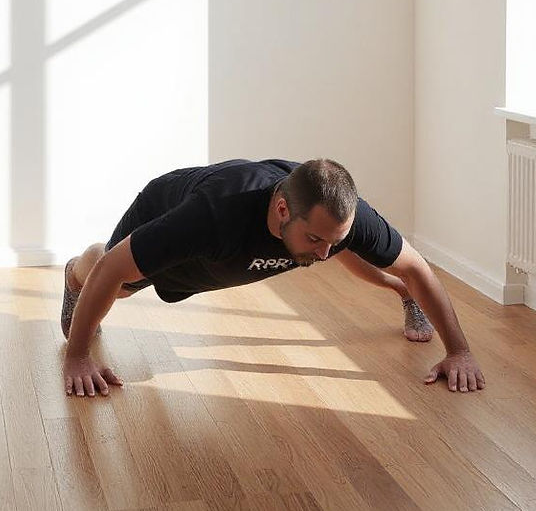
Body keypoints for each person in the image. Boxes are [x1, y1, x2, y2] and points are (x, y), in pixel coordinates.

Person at [61, 158, 485, 398]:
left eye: (335, 240)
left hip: (229, 250)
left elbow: (417, 266)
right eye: (316, 237)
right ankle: (75, 277)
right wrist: (78, 355)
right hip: (170, 217)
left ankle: (403, 298)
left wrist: (460, 351)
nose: (325, 252)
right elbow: (116, 265)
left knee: (347, 252)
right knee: (118, 282)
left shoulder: (339, 218)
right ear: (282, 210)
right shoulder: (210, 217)